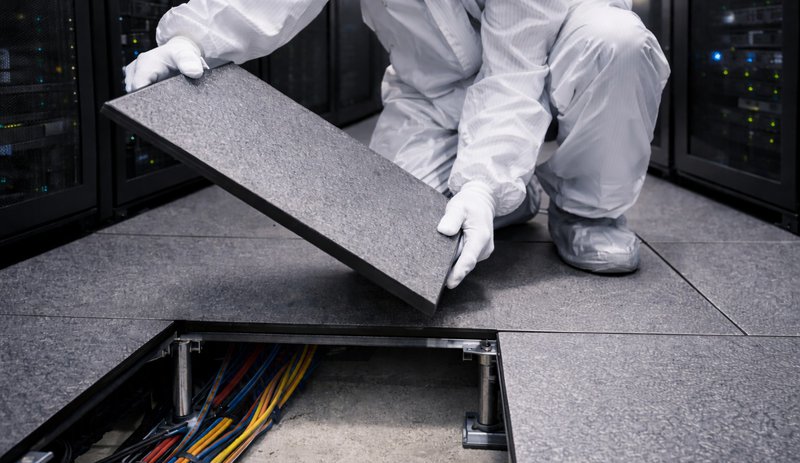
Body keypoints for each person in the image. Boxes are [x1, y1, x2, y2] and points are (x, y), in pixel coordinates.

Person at [125, 0, 670, 288]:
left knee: (617, 43)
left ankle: (586, 212)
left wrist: (481, 182)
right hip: (433, 90)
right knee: (394, 242)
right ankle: (518, 192)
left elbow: (515, 69)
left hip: (561, 49)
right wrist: (193, 38)